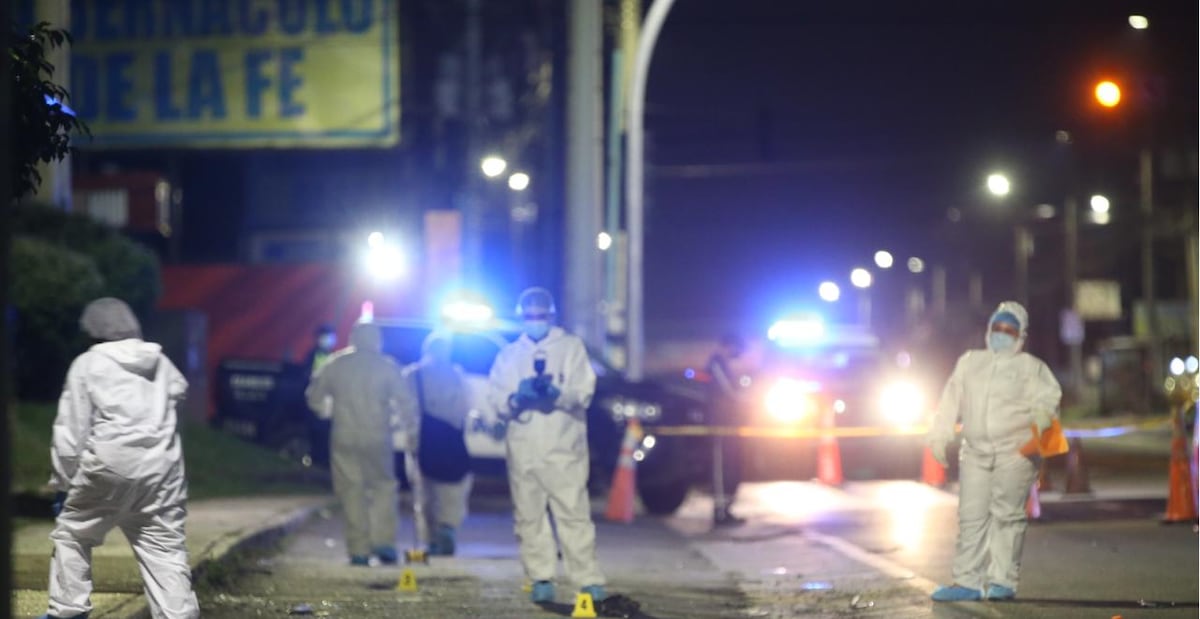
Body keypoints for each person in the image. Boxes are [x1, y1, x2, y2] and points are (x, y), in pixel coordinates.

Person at [40, 297, 200, 619]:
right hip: (162, 472)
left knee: (73, 534)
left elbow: (71, 434)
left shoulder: (87, 364)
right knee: (165, 552)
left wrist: (63, 482)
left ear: (92, 332)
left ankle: (69, 611)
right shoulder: (161, 362)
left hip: (109, 465)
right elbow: (180, 390)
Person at [926, 301, 1062, 602]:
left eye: (1009, 329)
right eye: (997, 327)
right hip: (975, 451)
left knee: (1008, 517)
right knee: (970, 517)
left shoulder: (1031, 367)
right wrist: (939, 435)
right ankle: (967, 582)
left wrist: (1042, 416)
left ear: (1021, 335)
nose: (1002, 334)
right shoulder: (971, 362)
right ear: (988, 330)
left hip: (1016, 453)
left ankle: (1003, 581)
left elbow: (1049, 396)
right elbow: (951, 399)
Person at [488, 287, 606, 604]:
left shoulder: (570, 348)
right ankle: (540, 576)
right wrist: (516, 398)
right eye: (529, 316)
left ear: (551, 316)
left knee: (573, 516)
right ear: (520, 317)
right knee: (529, 517)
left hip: (563, 449)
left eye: (540, 316)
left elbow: (583, 392)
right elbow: (497, 400)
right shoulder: (509, 355)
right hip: (523, 450)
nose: (534, 321)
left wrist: (558, 394)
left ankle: (588, 579)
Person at [306, 321, 416, 566]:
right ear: (377, 339)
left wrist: (328, 412)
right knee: (383, 488)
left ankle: (358, 550)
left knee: (351, 490)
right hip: (378, 435)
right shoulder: (387, 366)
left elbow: (314, 398)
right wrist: (409, 431)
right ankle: (384, 543)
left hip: (344, 434)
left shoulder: (335, 364)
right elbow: (406, 403)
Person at [402, 331, 474, 556]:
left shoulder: (413, 375)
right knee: (454, 488)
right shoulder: (457, 374)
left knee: (425, 491)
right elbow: (466, 406)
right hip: (452, 440)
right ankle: (448, 526)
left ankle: (431, 537)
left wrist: (412, 442)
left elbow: (408, 411)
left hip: (425, 440)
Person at [705, 333, 747, 527]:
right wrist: (745, 399)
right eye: (735, 349)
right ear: (727, 346)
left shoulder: (726, 364)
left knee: (732, 466)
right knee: (721, 467)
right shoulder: (716, 363)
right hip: (720, 424)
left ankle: (727, 509)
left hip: (730, 424)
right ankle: (719, 511)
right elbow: (729, 391)